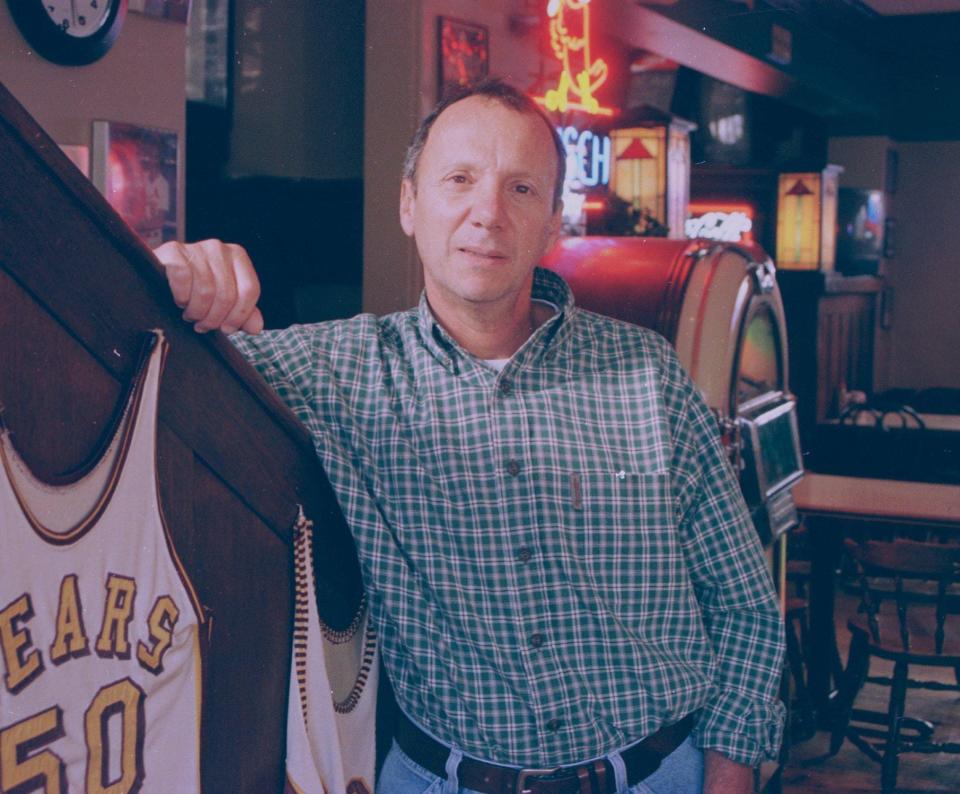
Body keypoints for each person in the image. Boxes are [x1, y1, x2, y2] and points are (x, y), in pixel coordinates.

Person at [156, 79, 785, 794]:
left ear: (552, 225)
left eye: (521, 189)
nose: (487, 213)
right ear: (408, 204)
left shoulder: (644, 370)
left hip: (660, 773)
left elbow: (742, 603)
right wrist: (174, 271)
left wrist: (729, 778)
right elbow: (153, 357)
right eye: (460, 179)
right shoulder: (334, 372)